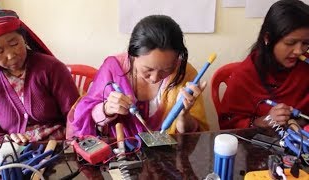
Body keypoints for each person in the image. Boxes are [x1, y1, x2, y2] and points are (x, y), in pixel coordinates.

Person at [67, 15, 209, 138]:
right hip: (121, 152)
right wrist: (106, 109)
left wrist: (184, 115)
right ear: (132, 55)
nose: (154, 78)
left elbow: (193, 136)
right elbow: (84, 118)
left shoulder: (185, 74)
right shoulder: (113, 69)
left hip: (166, 156)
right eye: (148, 70)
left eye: (166, 70)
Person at [0, 9, 79, 143]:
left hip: (59, 148)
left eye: (14, 44)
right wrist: (6, 140)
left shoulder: (52, 68)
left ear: (24, 38)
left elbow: (76, 116)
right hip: (16, 153)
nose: (10, 55)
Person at [219, 0, 309, 129]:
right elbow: (228, 124)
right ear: (268, 38)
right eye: (290, 43)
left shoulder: (305, 66)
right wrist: (264, 121)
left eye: (306, 43)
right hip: (259, 145)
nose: (299, 51)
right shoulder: (245, 75)